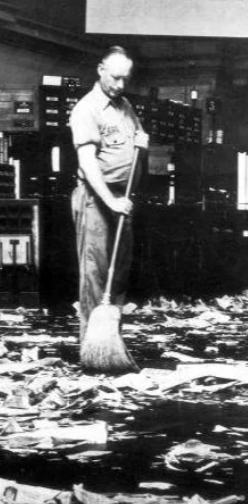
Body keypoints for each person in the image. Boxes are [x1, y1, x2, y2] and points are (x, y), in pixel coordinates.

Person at [69, 46, 149, 344]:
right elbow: (88, 163)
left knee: (119, 274)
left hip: (121, 200)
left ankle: (111, 342)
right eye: (115, 78)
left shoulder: (125, 106)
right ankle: (92, 347)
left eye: (125, 79)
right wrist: (110, 200)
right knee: (96, 275)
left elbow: (136, 140)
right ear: (101, 69)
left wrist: (141, 142)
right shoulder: (86, 108)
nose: (120, 85)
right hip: (96, 199)